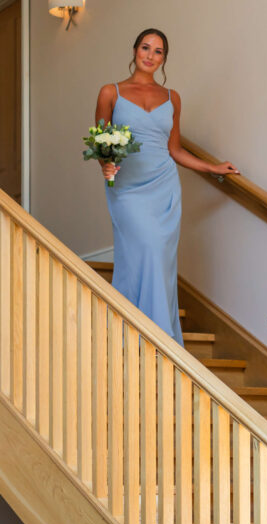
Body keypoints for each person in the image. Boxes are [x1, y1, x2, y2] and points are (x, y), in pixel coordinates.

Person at [94, 28, 238, 345]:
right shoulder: (111, 93)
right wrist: (105, 164)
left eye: (158, 51)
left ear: (163, 59)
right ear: (134, 50)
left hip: (164, 185)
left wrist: (212, 168)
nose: (150, 55)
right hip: (127, 186)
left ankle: (161, 338)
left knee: (158, 255)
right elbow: (101, 143)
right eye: (145, 47)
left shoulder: (172, 98)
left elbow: (175, 150)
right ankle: (133, 330)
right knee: (140, 250)